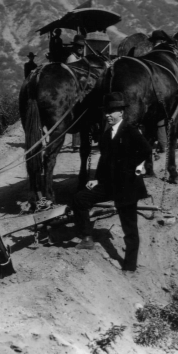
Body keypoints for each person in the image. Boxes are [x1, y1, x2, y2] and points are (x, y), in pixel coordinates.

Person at [71, 92, 152, 272]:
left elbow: (146, 150)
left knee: (129, 228)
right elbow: (103, 161)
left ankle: (129, 266)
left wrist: (129, 168)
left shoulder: (130, 131)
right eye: (106, 112)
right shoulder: (107, 135)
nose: (108, 115)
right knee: (80, 199)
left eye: (112, 112)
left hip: (127, 186)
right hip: (109, 184)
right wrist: (97, 180)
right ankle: (87, 237)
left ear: (121, 113)